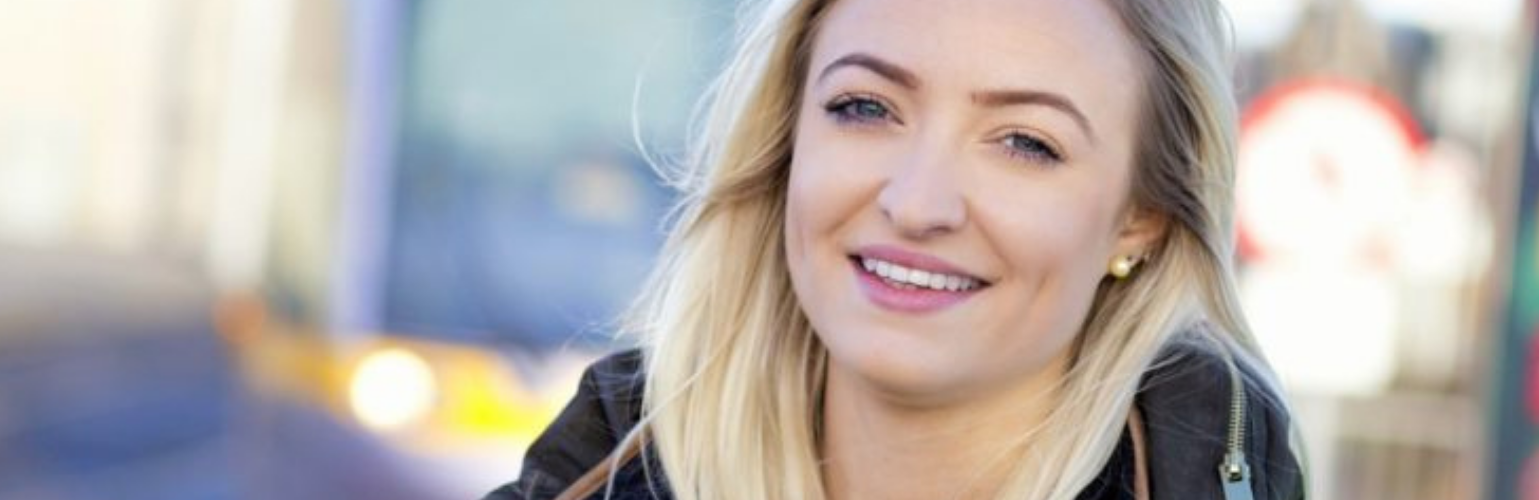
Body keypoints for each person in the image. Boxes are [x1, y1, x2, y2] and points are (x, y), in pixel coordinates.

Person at [486, 0, 1307, 498]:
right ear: (785, 139)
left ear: (1142, 216)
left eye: (1025, 142)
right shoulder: (600, 469)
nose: (916, 204)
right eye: (865, 107)